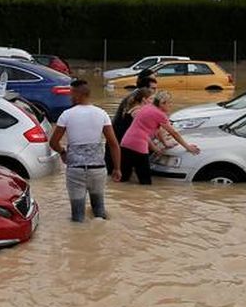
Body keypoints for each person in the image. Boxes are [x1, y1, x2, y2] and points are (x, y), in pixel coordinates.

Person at [49, 79, 121, 221]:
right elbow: (114, 144)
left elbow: (53, 142)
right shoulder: (102, 114)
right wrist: (117, 168)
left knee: (77, 216)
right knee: (99, 211)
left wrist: (63, 152)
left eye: (71, 94)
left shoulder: (66, 115)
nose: (70, 97)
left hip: (76, 170)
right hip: (98, 169)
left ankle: (79, 234)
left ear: (78, 95)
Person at [120, 90, 200, 185]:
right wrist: (188, 147)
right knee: (145, 183)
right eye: (169, 103)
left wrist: (165, 143)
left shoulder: (147, 107)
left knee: (123, 179)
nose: (171, 105)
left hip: (125, 143)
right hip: (139, 147)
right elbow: (174, 133)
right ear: (162, 103)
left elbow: (156, 130)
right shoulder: (160, 114)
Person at [106, 87, 153, 174]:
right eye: (151, 99)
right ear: (144, 99)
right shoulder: (138, 111)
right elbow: (144, 132)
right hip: (124, 147)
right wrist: (154, 147)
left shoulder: (132, 108)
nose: (153, 101)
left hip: (120, 145)